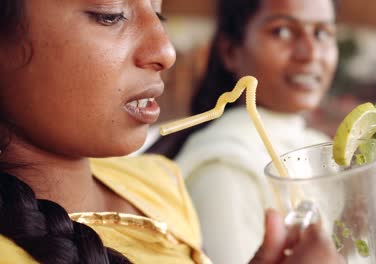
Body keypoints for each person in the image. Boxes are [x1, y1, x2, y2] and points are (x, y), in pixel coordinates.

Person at [0, 0, 345, 263]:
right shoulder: (222, 163)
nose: (165, 51)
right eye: (110, 13)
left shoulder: (161, 182)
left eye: (158, 13)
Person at [173, 0, 376, 263]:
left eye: (322, 33)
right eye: (281, 31)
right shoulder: (224, 168)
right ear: (231, 51)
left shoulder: (313, 143)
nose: (311, 52)